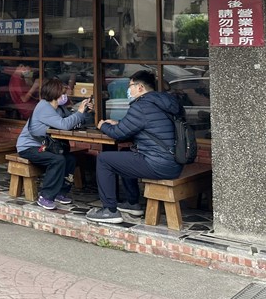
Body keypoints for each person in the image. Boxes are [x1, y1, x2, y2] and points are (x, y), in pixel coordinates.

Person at [85, 69, 184, 224]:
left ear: (140, 88)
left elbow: (118, 134)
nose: (128, 90)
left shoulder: (141, 106)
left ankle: (109, 210)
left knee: (104, 159)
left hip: (158, 164)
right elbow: (146, 126)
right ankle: (132, 203)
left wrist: (103, 125)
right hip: (174, 162)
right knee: (126, 151)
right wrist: (119, 123)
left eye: (130, 86)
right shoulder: (164, 102)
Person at [16, 78, 91, 209]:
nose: (65, 96)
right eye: (63, 93)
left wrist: (85, 112)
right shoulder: (44, 107)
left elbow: (73, 120)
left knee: (71, 159)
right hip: (29, 146)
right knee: (57, 160)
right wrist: (79, 112)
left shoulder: (59, 108)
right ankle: (45, 196)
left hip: (46, 145)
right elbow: (64, 124)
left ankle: (60, 193)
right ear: (54, 93)